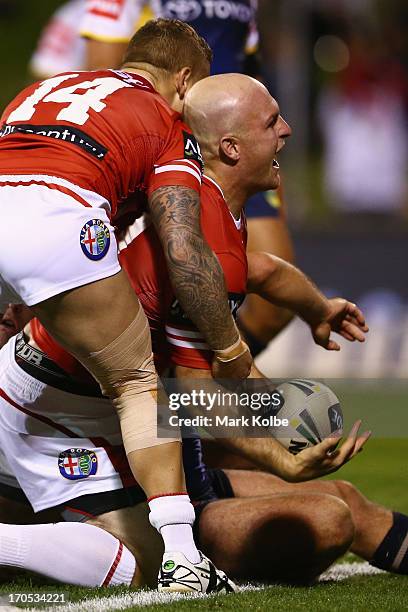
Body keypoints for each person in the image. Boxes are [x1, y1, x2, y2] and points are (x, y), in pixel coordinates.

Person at [0, 74, 381, 590]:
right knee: (143, 560)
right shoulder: (204, 247)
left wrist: (317, 309)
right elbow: (192, 400)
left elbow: (263, 269)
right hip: (64, 409)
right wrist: (279, 450)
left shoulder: (198, 199)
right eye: (271, 122)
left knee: (341, 503)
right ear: (230, 147)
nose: (287, 130)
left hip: (95, 400)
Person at [0, 19, 253, 592]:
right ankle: (184, 556)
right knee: (140, 385)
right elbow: (184, 248)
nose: (284, 132)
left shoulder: (46, 88)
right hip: (57, 222)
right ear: (183, 81)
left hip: (14, 204)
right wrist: (235, 351)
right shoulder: (167, 123)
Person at [79, 0, 298, 355]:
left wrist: (264, 149)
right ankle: (171, 382)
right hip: (167, 143)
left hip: (235, 147)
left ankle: (201, 377)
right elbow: (102, 70)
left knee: (276, 303)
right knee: (164, 277)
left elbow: (248, 69)